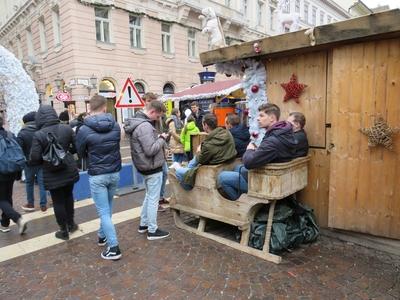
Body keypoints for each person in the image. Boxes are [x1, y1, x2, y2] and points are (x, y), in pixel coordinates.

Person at [218, 103, 297, 200]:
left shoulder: (273, 140)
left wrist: (249, 149)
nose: (258, 118)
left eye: (261, 115)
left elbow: (248, 163)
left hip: (268, 184)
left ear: (272, 118)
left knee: (222, 177)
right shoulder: (283, 133)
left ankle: (240, 203)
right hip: (277, 178)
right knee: (238, 168)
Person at [76, 95, 122, 260]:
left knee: (103, 210)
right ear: (105, 108)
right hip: (114, 172)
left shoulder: (83, 129)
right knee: (108, 207)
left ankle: (114, 247)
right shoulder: (115, 125)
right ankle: (102, 235)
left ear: (90, 108)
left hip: (97, 174)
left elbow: (80, 153)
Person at [30, 105, 80, 240]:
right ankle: (71, 224)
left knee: (57, 201)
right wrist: (66, 153)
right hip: (68, 168)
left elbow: (34, 157)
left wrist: (45, 160)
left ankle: (63, 230)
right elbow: (77, 147)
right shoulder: (66, 128)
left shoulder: (39, 134)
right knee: (69, 196)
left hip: (51, 172)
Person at [124, 100, 170, 240]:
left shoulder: (137, 123)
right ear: (152, 112)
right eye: (158, 116)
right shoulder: (145, 126)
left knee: (149, 196)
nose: (158, 119)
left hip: (144, 166)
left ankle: (144, 225)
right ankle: (152, 229)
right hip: (152, 167)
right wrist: (161, 138)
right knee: (153, 199)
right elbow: (150, 150)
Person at [175, 113, 237, 190]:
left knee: (178, 172)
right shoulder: (227, 133)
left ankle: (189, 190)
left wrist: (198, 151)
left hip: (211, 171)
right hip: (226, 164)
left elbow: (201, 160)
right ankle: (187, 169)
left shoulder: (209, 145)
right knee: (190, 165)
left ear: (206, 125)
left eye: (203, 124)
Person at [136, 92, 169, 210]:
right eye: (150, 101)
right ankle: (155, 201)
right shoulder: (142, 118)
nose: (153, 103)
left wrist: (164, 147)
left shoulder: (157, 116)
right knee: (153, 181)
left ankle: (158, 197)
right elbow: (147, 145)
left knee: (164, 173)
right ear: (146, 101)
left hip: (158, 149)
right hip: (150, 154)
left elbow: (161, 132)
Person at [0, 116, 28, 234]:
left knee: (1, 199)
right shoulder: (9, 134)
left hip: (1, 171)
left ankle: (18, 218)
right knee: (7, 196)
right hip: (11, 170)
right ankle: (5, 224)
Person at [17, 111, 48, 212]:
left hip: (29, 163)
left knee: (29, 183)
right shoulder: (41, 131)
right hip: (41, 162)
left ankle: (30, 203)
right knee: (42, 183)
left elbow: (19, 149)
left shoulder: (22, 133)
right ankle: (43, 204)